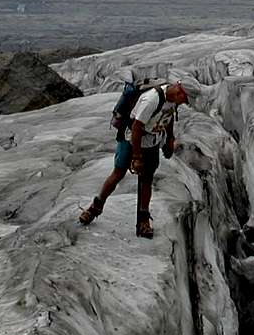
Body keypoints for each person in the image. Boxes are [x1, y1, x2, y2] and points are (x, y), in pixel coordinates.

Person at [79, 82, 190, 239]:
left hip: (152, 139)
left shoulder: (172, 99)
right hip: (132, 138)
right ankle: (95, 208)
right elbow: (137, 127)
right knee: (118, 173)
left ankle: (144, 221)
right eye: (183, 99)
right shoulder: (151, 100)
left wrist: (170, 138)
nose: (182, 103)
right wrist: (137, 157)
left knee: (147, 178)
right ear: (178, 92)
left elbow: (168, 116)